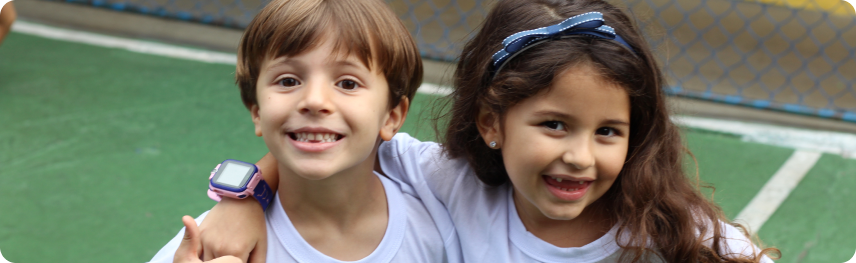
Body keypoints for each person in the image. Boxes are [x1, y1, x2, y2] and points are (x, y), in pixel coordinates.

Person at [195, 0, 781, 262]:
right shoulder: (450, 182)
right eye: (554, 124)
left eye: (609, 132)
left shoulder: (663, 225)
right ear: (491, 123)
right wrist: (243, 198)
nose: (579, 156)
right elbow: (331, 142)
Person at [147, 0, 461, 262]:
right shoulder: (207, 247)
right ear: (257, 111)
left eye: (347, 83)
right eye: (288, 81)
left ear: (392, 116)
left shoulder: (441, 230)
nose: (314, 101)